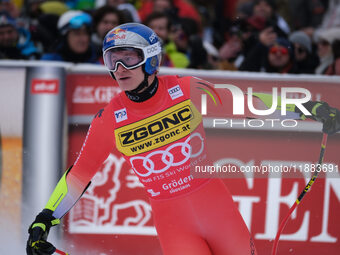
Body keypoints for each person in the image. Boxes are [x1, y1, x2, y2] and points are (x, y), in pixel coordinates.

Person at [26, 23, 340, 255]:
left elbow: (251, 105)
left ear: (150, 58)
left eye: (128, 58)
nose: (120, 68)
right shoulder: (110, 117)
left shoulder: (185, 89)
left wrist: (309, 108)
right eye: (112, 60)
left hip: (216, 209)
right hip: (173, 223)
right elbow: (80, 175)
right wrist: (44, 219)